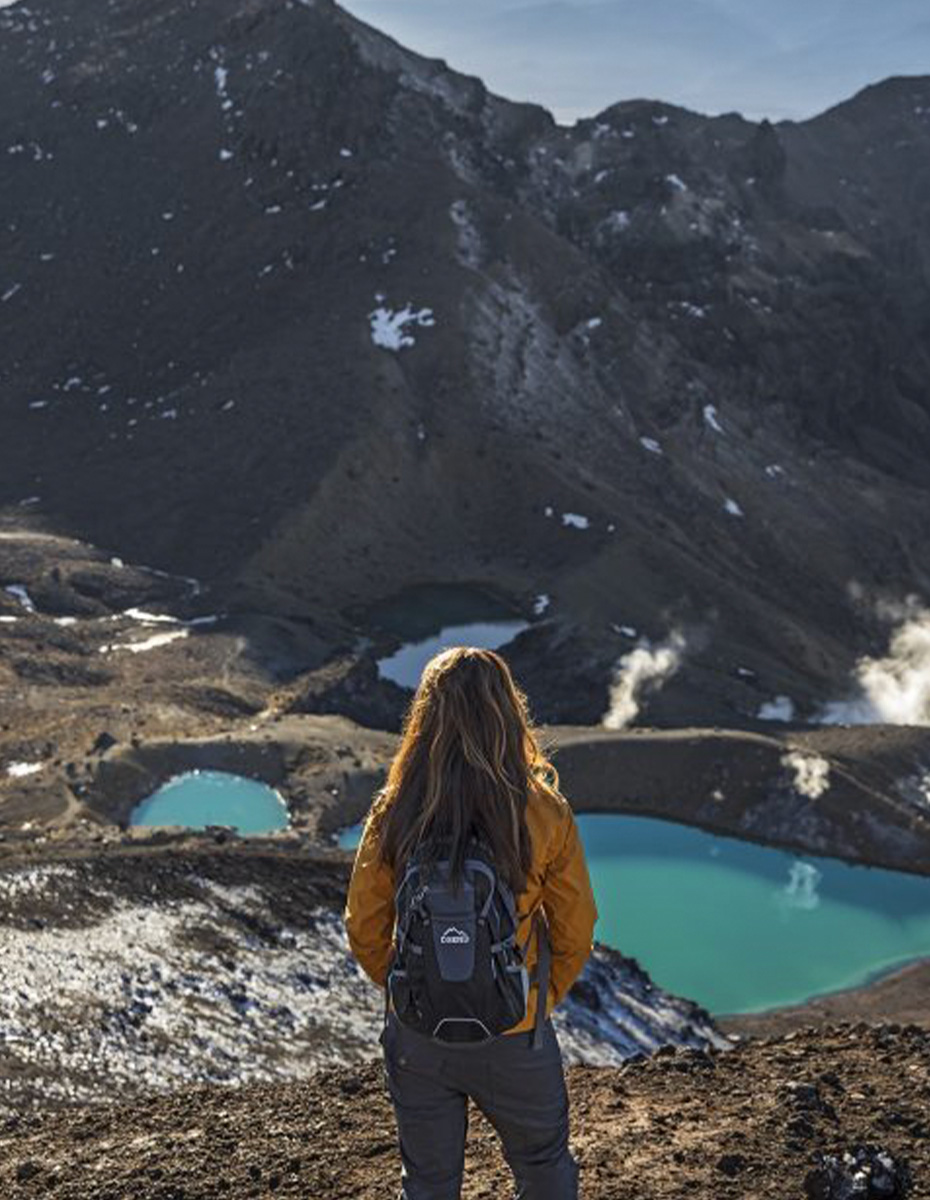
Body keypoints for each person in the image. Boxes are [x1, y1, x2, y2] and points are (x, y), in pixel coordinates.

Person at [344, 645, 598, 1200]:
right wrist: (533, 1000)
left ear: (425, 717)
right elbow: (577, 924)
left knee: (430, 1184)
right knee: (544, 1167)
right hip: (514, 1031)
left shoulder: (395, 809)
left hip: (418, 1036)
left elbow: (364, 924)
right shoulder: (543, 809)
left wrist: (411, 987)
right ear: (508, 712)